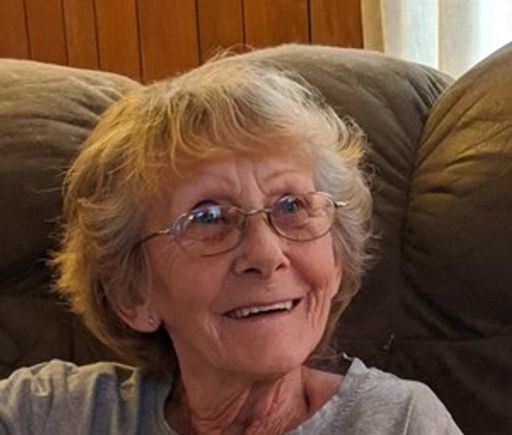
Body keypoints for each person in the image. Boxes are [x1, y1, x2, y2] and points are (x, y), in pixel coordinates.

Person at [0, 55, 462, 435]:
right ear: (132, 292)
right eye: (208, 218)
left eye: (292, 206)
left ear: (337, 258)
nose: (266, 255)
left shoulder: (397, 423)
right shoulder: (49, 415)